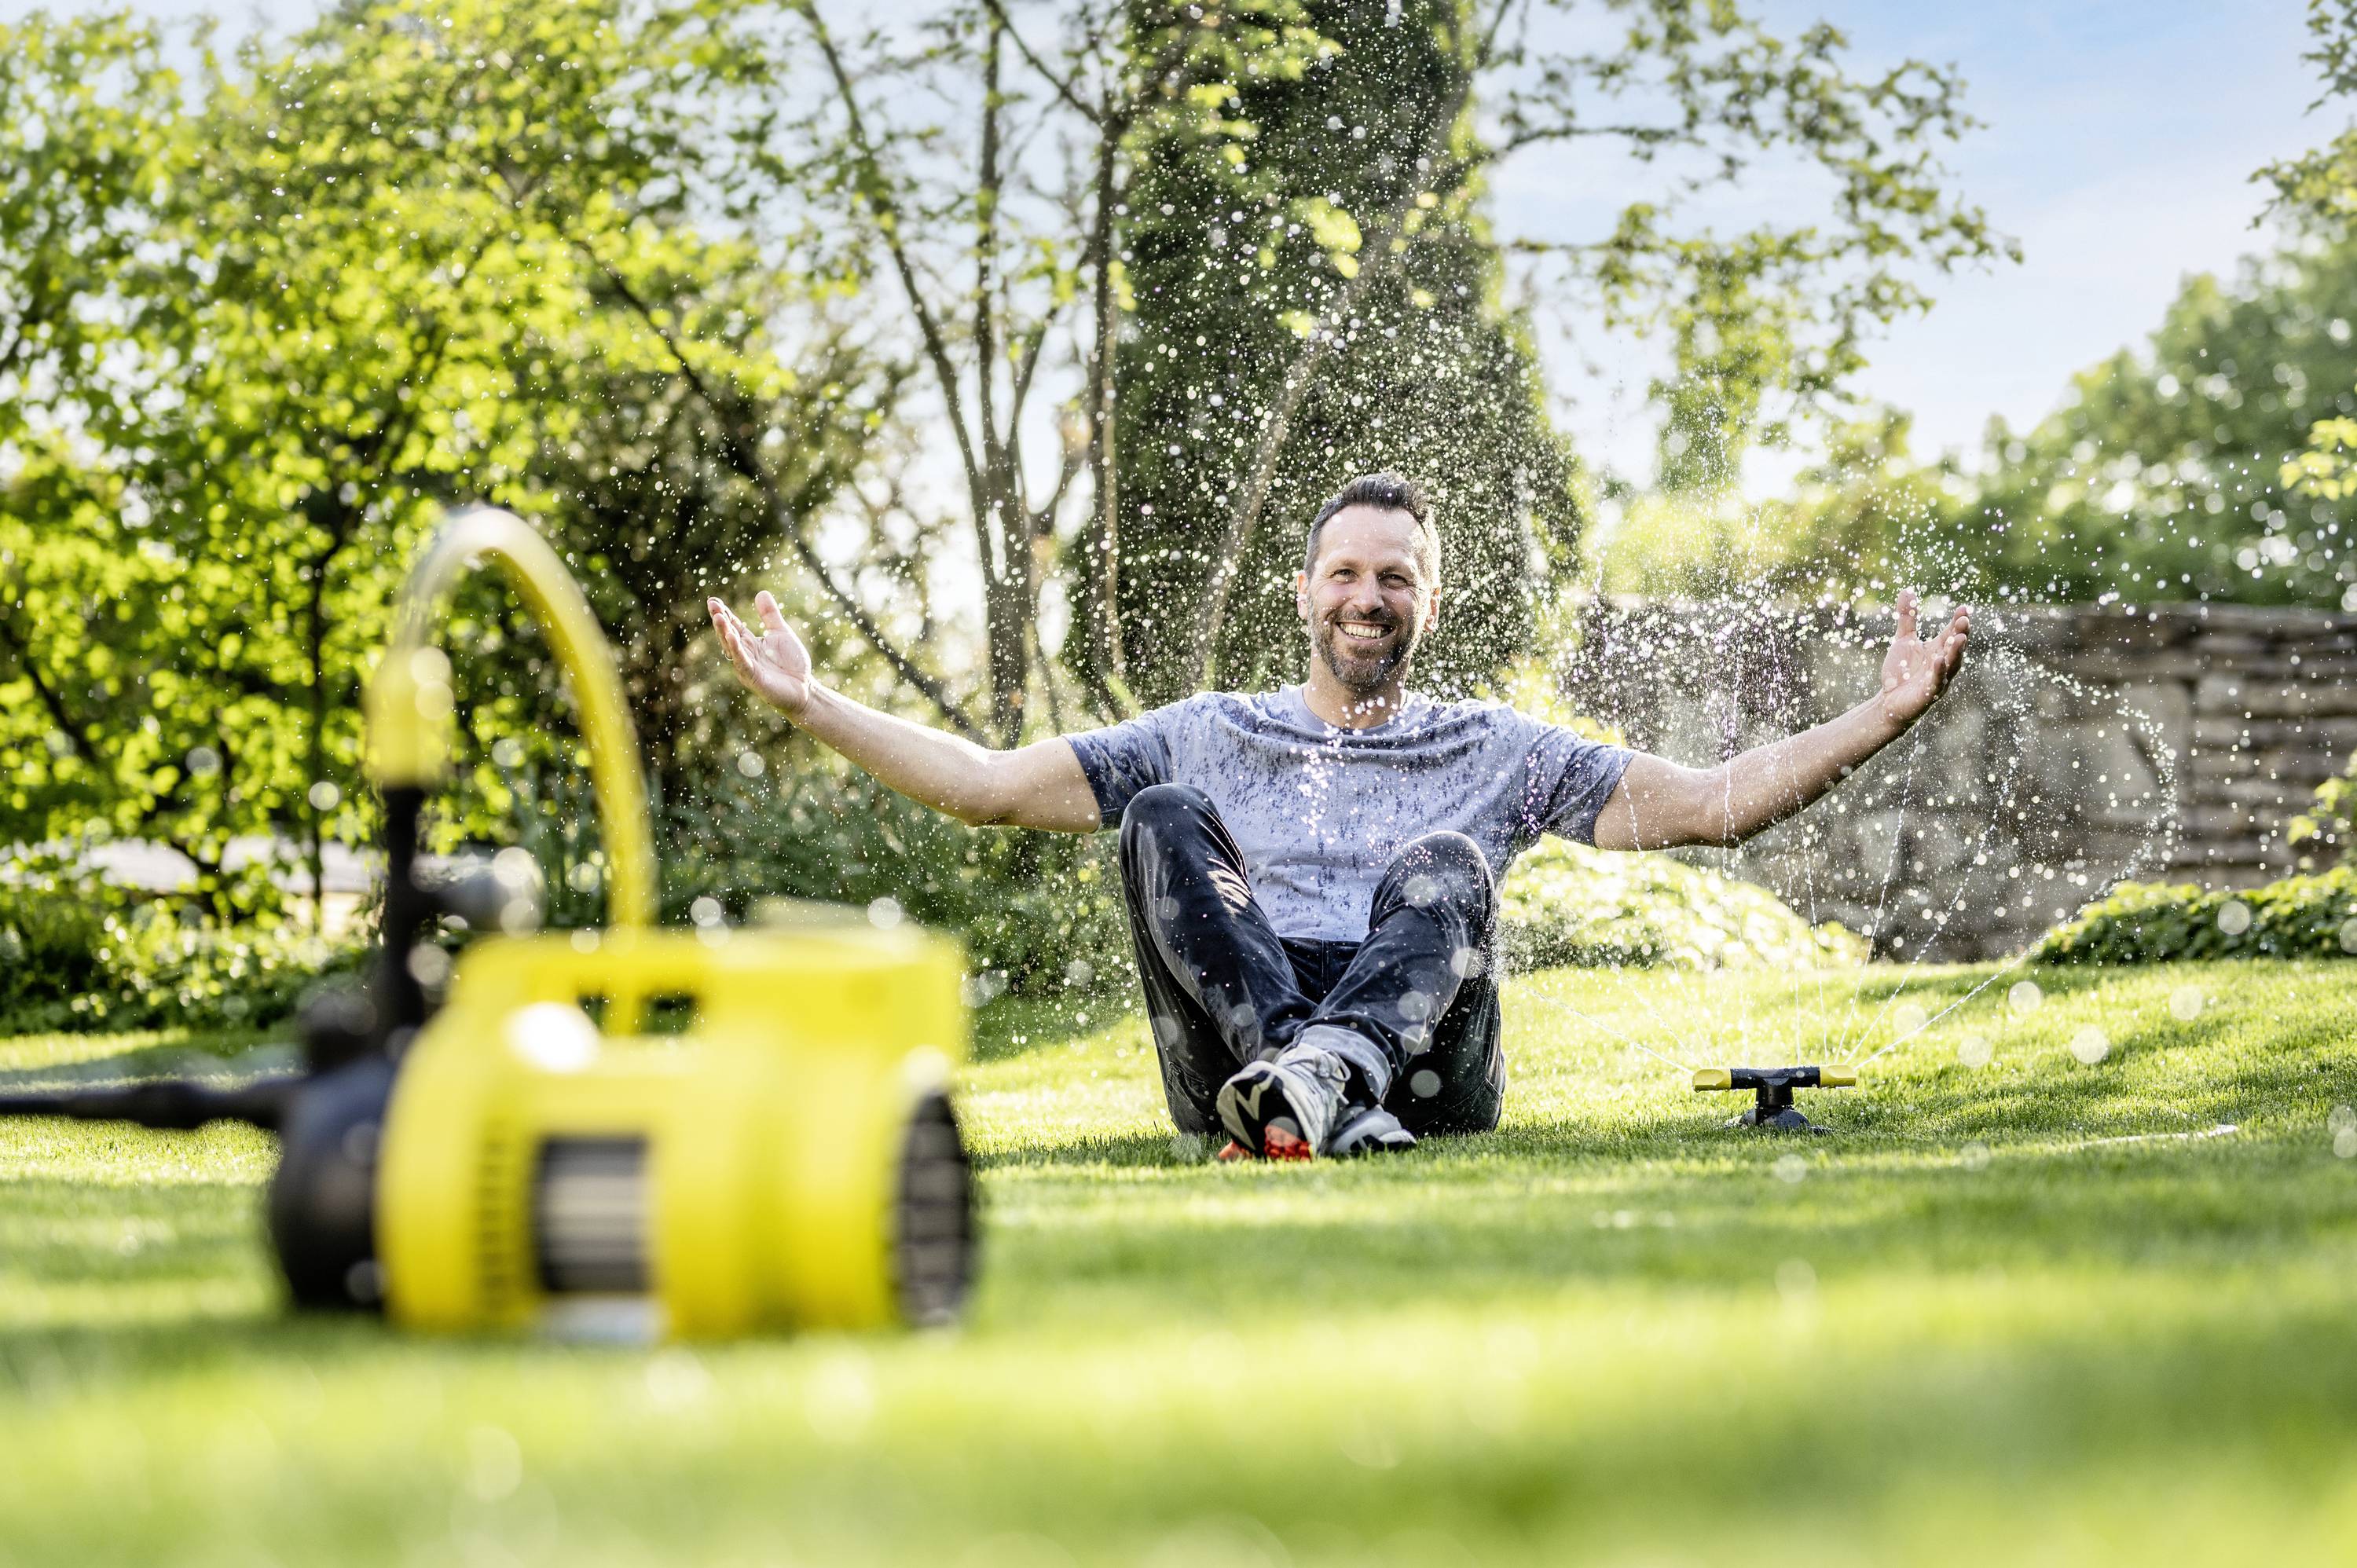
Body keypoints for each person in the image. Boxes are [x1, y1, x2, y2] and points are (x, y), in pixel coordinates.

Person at [709, 472, 1970, 1161]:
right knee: (1158, 812)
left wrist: (1882, 716)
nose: (1369, 597)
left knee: (1448, 861)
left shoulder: (1497, 745)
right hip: (1231, 1049)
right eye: (1349, 573)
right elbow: (986, 787)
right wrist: (816, 707)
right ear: (1307, 590)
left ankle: (1324, 1082)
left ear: (1430, 600)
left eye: (1396, 578)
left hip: (1425, 1074)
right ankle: (1304, 1089)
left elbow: (1708, 808)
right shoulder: (1207, 729)